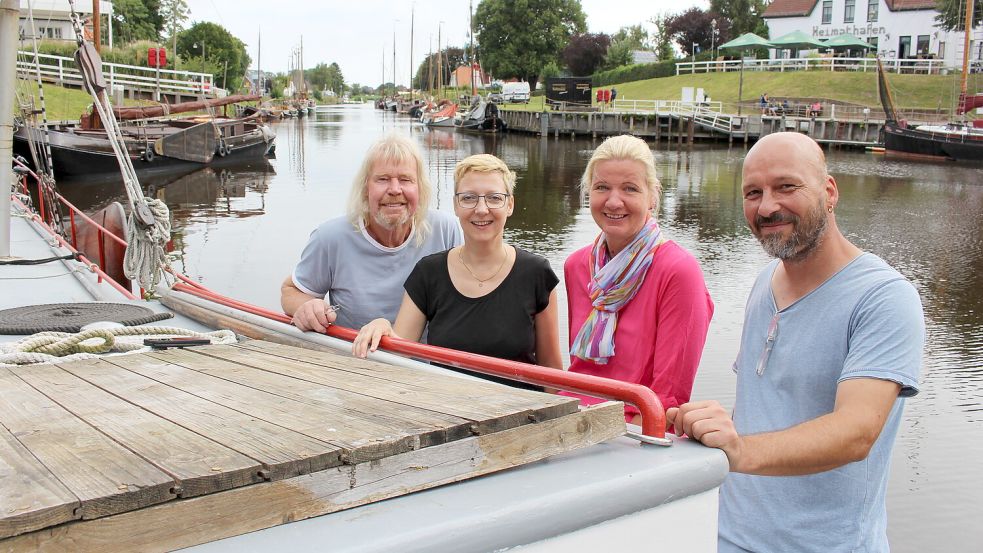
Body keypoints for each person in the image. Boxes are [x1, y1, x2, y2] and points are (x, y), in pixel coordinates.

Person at [667, 132, 924, 553]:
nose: (767, 206)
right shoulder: (763, 283)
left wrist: (739, 450)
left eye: (786, 186)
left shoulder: (884, 297)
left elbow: (856, 433)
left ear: (829, 191)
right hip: (729, 536)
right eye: (753, 192)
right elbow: (756, 405)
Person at [353, 154, 562, 386]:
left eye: (494, 198)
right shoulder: (429, 273)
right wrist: (382, 326)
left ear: (510, 204)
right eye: (469, 198)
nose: (481, 209)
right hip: (449, 414)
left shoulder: (536, 274)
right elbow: (400, 353)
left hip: (522, 417)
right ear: (455, 205)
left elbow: (552, 373)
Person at [564, 135, 714, 423]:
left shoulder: (678, 271)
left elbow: (669, 399)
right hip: (573, 422)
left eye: (630, 189)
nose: (614, 201)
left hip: (634, 435)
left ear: (652, 196)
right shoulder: (577, 266)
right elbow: (578, 372)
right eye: (602, 187)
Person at [281, 134, 462, 332]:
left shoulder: (446, 230)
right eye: (383, 179)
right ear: (366, 187)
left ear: (420, 187)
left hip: (423, 362)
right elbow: (290, 292)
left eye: (405, 179)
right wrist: (307, 307)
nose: (394, 189)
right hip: (356, 359)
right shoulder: (330, 238)